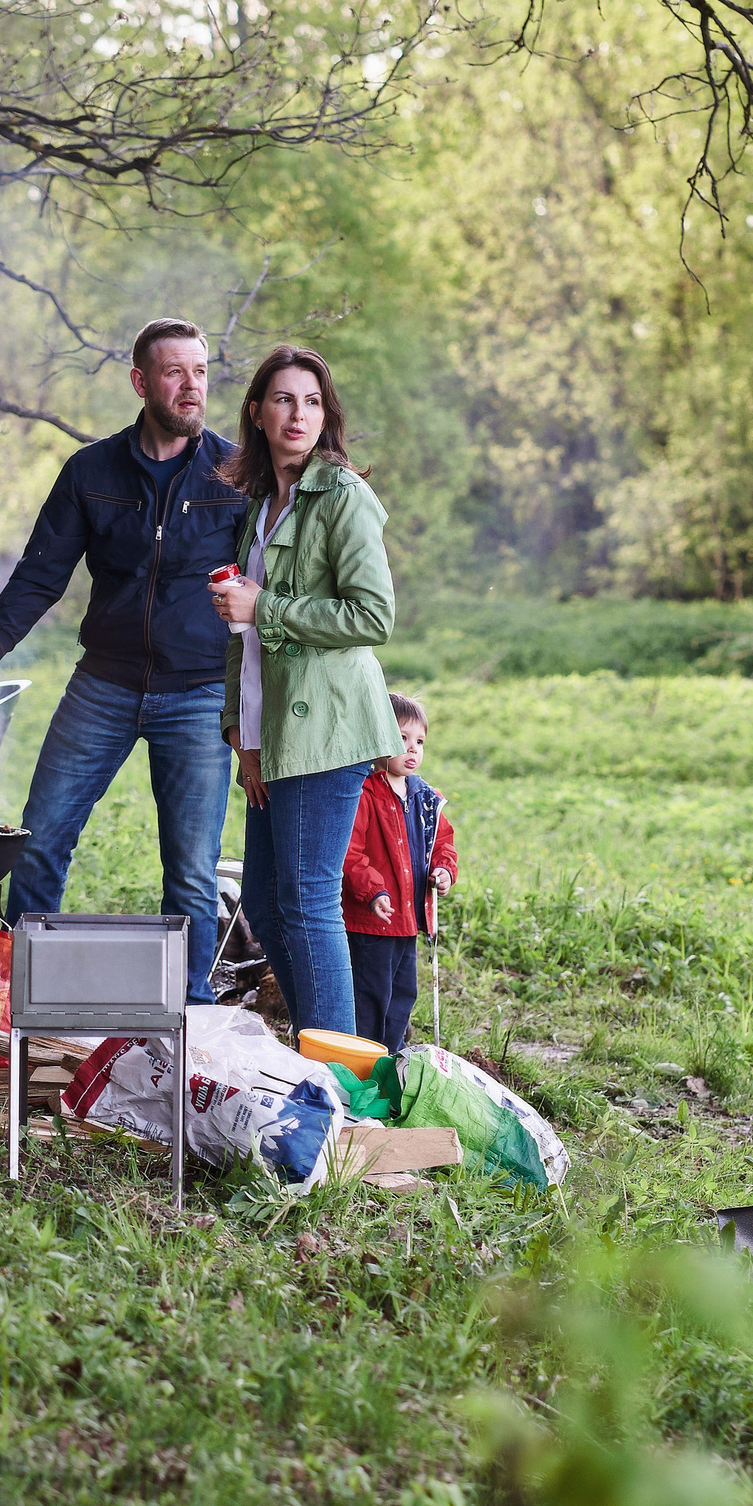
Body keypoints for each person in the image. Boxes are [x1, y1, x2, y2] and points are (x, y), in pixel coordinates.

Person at [0, 319, 246, 1004]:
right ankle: (15, 998)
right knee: (39, 841)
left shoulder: (235, 475)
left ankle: (193, 1019)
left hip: (199, 693)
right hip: (103, 685)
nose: (191, 385)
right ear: (142, 382)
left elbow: (267, 585)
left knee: (193, 875)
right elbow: (39, 574)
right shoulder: (92, 471)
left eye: (200, 371)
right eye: (175, 372)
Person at [207, 345, 402, 1039]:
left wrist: (268, 606)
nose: (299, 414)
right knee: (264, 896)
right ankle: (320, 1045)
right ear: (257, 412)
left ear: (327, 416)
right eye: (285, 399)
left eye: (313, 401)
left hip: (329, 728)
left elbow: (373, 616)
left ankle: (340, 1078)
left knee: (309, 901)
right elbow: (243, 634)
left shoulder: (343, 495)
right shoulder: (260, 505)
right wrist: (243, 737)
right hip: (276, 736)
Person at [341, 692, 457, 1055]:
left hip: (408, 920)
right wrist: (374, 891)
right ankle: (366, 1061)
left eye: (419, 741)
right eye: (401, 739)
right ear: (377, 738)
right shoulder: (364, 793)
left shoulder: (424, 797)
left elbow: (442, 841)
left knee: (404, 993)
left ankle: (391, 1056)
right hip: (372, 921)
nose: (412, 749)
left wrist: (443, 870)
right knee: (372, 995)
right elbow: (350, 852)